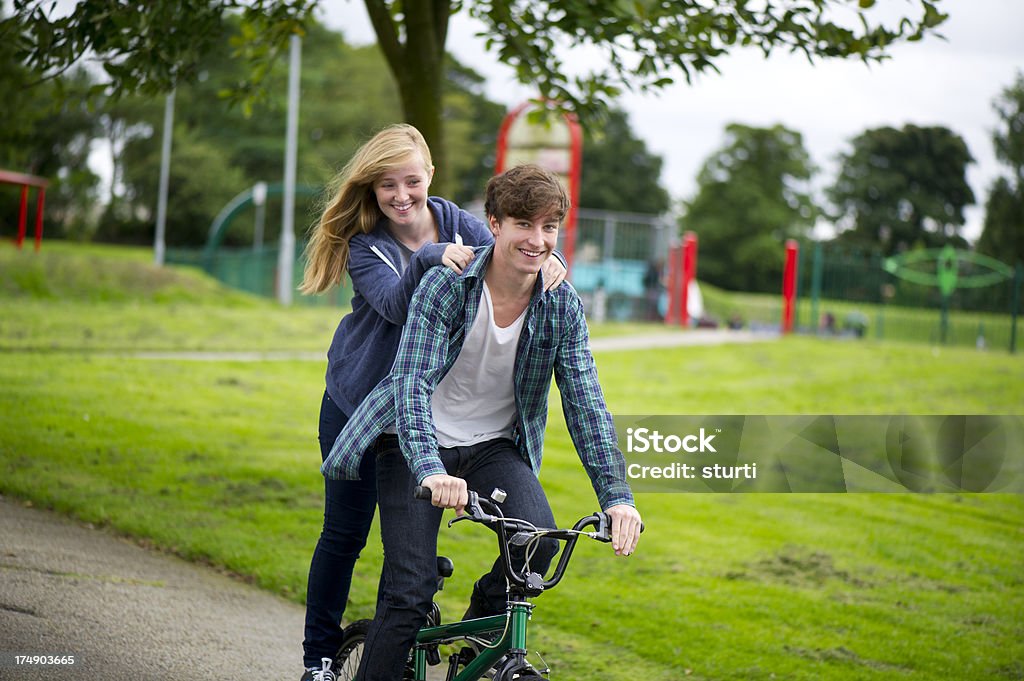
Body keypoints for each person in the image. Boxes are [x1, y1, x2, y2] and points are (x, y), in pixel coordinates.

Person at [321, 164, 643, 681]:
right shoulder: (446, 287)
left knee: (539, 547)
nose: (537, 241)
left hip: (493, 446)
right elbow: (411, 383)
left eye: (549, 228)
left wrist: (617, 497)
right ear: (493, 223)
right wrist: (429, 470)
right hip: (412, 445)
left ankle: (473, 643)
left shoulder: (561, 304)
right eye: (523, 225)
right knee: (408, 592)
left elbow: (586, 404)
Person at [298, 126, 566, 681]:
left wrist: (552, 268)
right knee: (345, 535)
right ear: (371, 191)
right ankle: (321, 658)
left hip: (420, 410)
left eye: (411, 181)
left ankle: (439, 641)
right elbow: (398, 306)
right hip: (359, 408)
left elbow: (512, 251)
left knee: (413, 566)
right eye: (386, 185)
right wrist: (430, 257)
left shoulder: (459, 220)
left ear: (429, 177)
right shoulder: (367, 245)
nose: (401, 195)